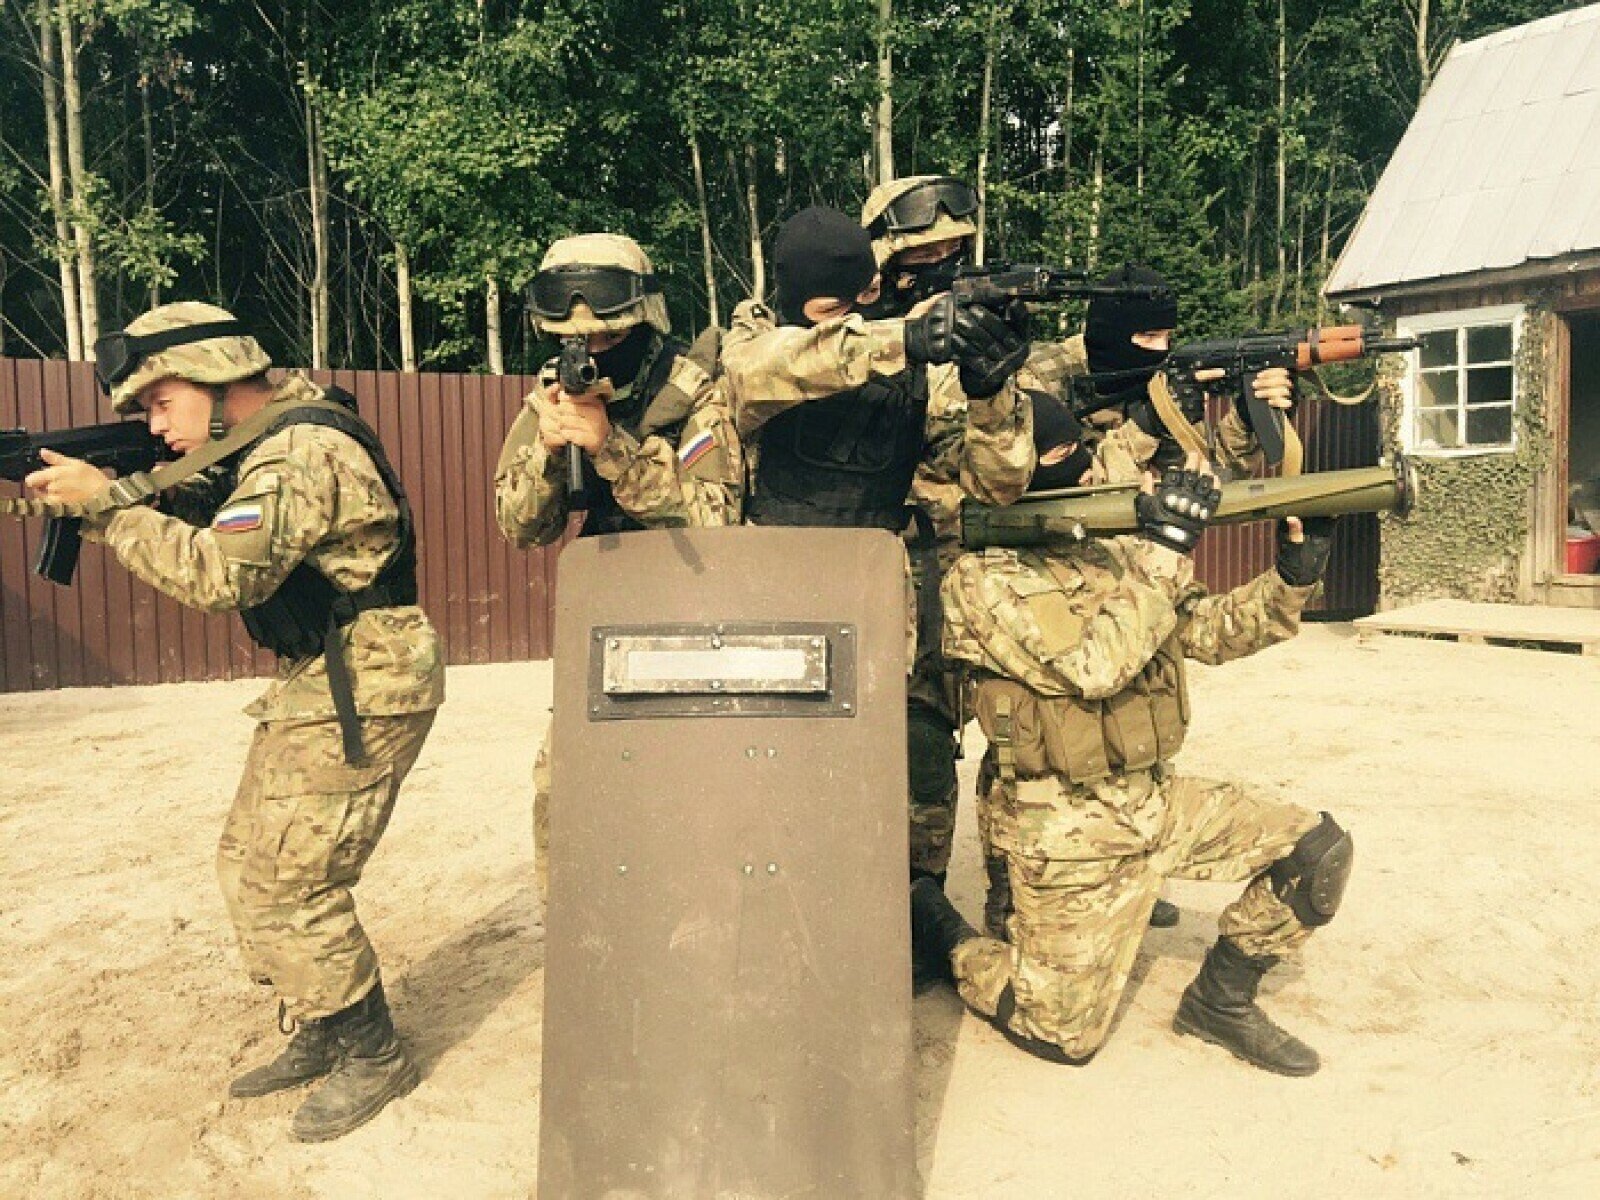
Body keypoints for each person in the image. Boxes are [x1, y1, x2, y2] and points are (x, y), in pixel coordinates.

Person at [25, 301, 442, 1140]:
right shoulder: (260, 447)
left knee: (295, 881)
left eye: (160, 402)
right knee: (246, 860)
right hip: (320, 677)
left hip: (365, 680)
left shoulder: (300, 450)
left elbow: (224, 577)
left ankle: (372, 1052)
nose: (155, 424)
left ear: (214, 379)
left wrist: (109, 507)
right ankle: (323, 1021)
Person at [914, 450, 1351, 1076]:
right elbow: (1094, 666)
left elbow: (1208, 631)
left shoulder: (1115, 553)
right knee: (1060, 1036)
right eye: (1070, 458)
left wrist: (1290, 578)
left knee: (1318, 852)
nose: (1094, 474)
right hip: (1063, 833)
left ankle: (1220, 1002)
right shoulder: (981, 579)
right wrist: (1166, 546)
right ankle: (937, 927)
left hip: (1153, 801)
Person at [720, 205, 1034, 906]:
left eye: (858, 302)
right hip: (774, 599)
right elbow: (763, 371)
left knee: (908, 763)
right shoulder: (758, 339)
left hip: (884, 593)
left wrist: (991, 393)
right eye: (828, 310)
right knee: (773, 775)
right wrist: (904, 337)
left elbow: (997, 484)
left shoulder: (918, 366)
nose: (847, 320)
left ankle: (912, 909)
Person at [494, 233, 742, 898]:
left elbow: (716, 519)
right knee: (567, 795)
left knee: (700, 805)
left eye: (607, 336)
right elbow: (517, 525)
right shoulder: (550, 397)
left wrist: (612, 450)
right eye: (574, 338)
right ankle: (579, 932)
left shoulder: (694, 392)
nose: (590, 350)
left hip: (696, 620)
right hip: (608, 621)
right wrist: (550, 456)